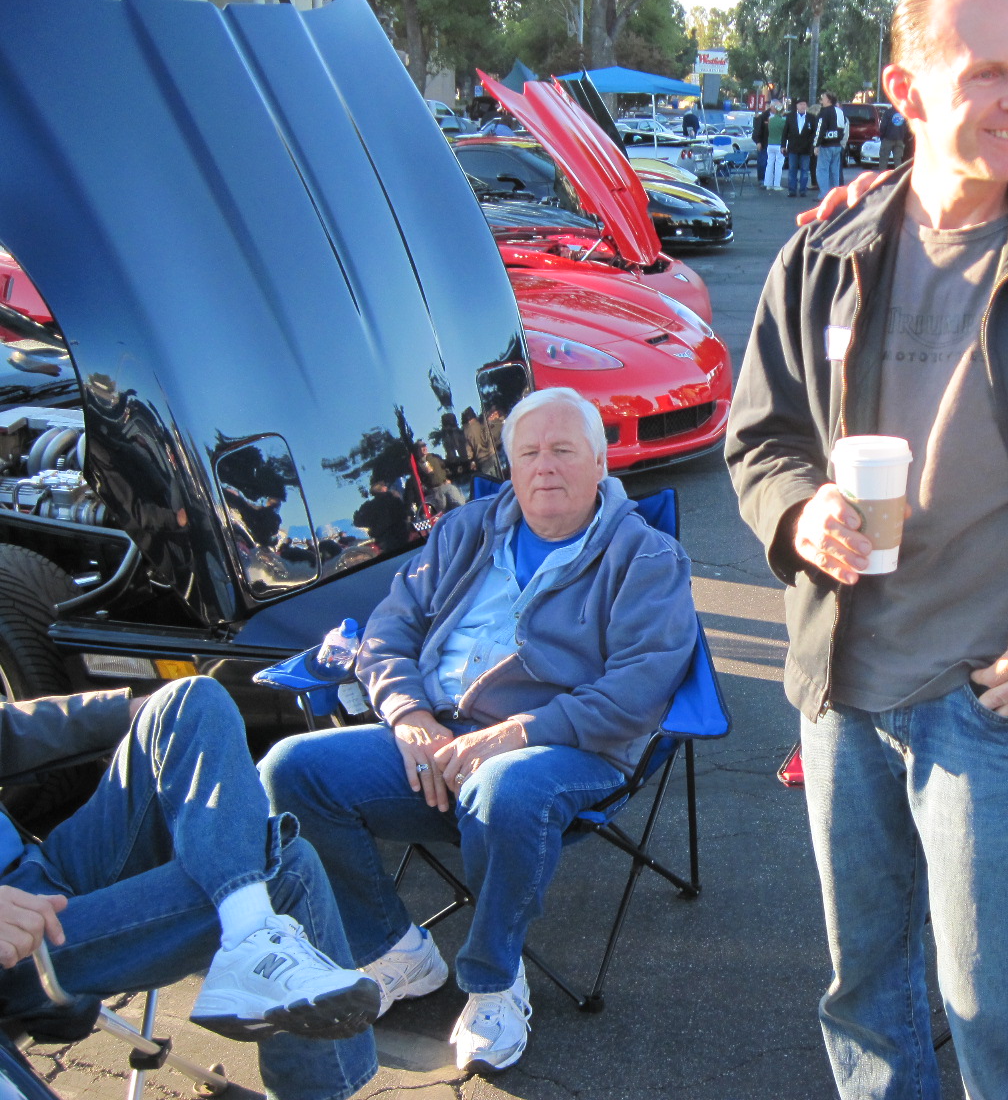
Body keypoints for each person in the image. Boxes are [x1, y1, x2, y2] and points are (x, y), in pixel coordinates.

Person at [725, 0, 1008, 1100]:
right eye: (988, 73)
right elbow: (759, 439)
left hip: (989, 695)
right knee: (864, 987)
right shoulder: (824, 252)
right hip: (844, 683)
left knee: (995, 1003)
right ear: (908, 89)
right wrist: (799, 511)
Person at [261, 388, 698, 1075]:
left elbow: (639, 692)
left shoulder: (645, 557)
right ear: (510, 464)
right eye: (529, 453)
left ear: (600, 462)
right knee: (292, 768)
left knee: (504, 789)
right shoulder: (466, 531)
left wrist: (515, 733)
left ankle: (494, 981)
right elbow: (388, 631)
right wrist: (410, 718)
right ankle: (393, 949)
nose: (544, 467)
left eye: (563, 450)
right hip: (438, 735)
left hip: (566, 747)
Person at [0, 680, 379, 1100]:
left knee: (189, 699)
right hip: (21, 944)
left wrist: (127, 712)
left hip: (42, 871)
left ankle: (249, 933)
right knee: (285, 870)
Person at [783, 98, 816, 197]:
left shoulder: (811, 118)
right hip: (793, 147)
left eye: (804, 104)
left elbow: (814, 133)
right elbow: (785, 132)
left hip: (806, 148)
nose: (802, 106)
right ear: (797, 106)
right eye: (800, 104)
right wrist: (783, 145)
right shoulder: (790, 117)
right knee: (792, 169)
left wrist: (812, 146)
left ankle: (802, 190)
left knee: (804, 170)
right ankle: (792, 190)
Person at [815, 91, 847, 196]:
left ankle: (824, 195)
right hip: (837, 144)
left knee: (822, 170)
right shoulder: (839, 111)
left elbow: (820, 129)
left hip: (826, 144)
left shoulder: (824, 112)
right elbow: (843, 127)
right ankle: (835, 195)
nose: (821, 100)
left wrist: (817, 144)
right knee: (835, 171)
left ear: (828, 99)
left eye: (823, 97)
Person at [764, 103, 789, 192]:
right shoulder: (783, 121)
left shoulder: (770, 120)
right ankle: (776, 184)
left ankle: (768, 184)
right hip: (779, 144)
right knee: (778, 165)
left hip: (770, 143)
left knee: (769, 164)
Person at [877, 104, 909, 169]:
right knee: (898, 159)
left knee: (884, 159)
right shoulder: (903, 113)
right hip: (900, 139)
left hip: (888, 138)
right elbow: (907, 127)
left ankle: (883, 176)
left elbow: (883, 126)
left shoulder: (888, 112)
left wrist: (882, 136)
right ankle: (899, 176)